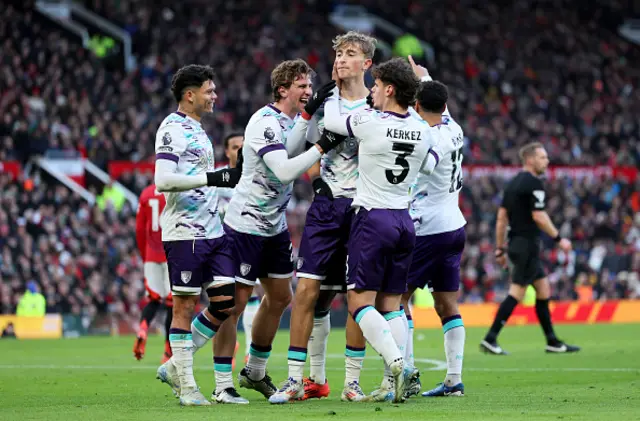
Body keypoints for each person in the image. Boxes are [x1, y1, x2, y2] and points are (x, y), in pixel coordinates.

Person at [218, 58, 346, 402]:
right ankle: (219, 383)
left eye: (310, 86)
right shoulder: (264, 121)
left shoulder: (296, 120)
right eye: (302, 86)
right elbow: (285, 169)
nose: (308, 92)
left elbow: (302, 150)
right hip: (246, 222)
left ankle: (254, 372)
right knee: (235, 304)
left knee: (280, 298)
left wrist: (318, 174)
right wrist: (320, 146)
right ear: (283, 89)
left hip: (273, 225)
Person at [322, 57, 438, 404]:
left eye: (375, 85)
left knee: (358, 302)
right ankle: (391, 380)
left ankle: (397, 363)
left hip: (373, 220)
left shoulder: (369, 121)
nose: (370, 90)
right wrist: (425, 80)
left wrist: (335, 88)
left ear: (389, 90)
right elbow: (430, 166)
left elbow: (331, 121)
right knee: (392, 304)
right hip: (404, 220)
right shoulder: (422, 129)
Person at [270, 31, 375, 404]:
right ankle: (296, 380)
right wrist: (316, 181)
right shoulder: (325, 101)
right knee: (307, 292)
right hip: (327, 209)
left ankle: (352, 383)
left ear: (367, 64)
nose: (341, 59)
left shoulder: (378, 103)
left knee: (354, 295)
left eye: (350, 53)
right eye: (339, 53)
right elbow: (294, 150)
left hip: (364, 208)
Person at [153, 64, 244, 406]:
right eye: (209, 91)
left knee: (225, 303)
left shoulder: (199, 129)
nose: (214, 96)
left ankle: (175, 364)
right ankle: (188, 386)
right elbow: (163, 180)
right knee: (185, 305)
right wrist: (212, 178)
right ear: (189, 95)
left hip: (213, 231)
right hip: (184, 233)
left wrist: (220, 179)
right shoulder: (171, 129)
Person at [400, 64, 467, 398]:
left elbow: (423, 165)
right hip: (455, 225)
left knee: (398, 298)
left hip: (429, 228)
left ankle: (407, 374)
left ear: (415, 106)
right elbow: (434, 99)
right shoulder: (454, 127)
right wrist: (423, 76)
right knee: (446, 304)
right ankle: (454, 380)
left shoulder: (433, 137)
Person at [480, 142, 581, 355]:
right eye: (543, 157)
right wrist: (559, 239)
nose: (547, 161)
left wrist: (500, 249)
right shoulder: (534, 183)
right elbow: (539, 216)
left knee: (544, 290)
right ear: (530, 160)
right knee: (516, 292)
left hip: (516, 244)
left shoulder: (512, 184)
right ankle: (491, 337)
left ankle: (552, 341)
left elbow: (501, 219)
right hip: (527, 245)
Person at [214, 132, 260, 368]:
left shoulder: (254, 178)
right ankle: (227, 347)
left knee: (249, 296)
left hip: (248, 243)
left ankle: (250, 350)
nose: (240, 150)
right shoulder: (219, 178)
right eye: (235, 147)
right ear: (227, 152)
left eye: (244, 146)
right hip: (222, 246)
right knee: (224, 301)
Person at [133, 184, 173, 363]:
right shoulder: (176, 188)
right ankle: (167, 350)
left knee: (153, 299)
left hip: (151, 253)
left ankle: (143, 328)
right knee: (174, 302)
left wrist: (145, 255)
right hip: (172, 252)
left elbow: (140, 229)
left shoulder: (146, 193)